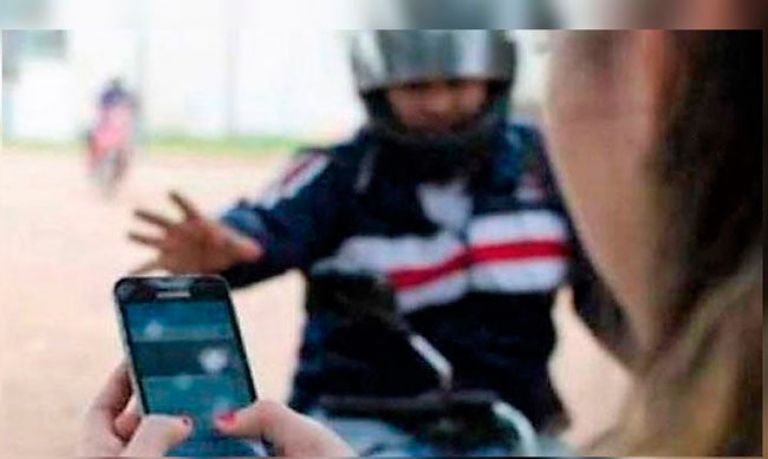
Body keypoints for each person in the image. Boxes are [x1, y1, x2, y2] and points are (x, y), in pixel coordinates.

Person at [79, 27, 762, 457]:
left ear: (494, 79)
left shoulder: (547, 171)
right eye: (415, 86)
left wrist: (709, 383)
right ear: (378, 88)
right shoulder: (339, 173)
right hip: (359, 425)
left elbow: (614, 301)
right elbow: (264, 228)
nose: (438, 102)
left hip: (508, 426)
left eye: (456, 83)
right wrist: (227, 249)